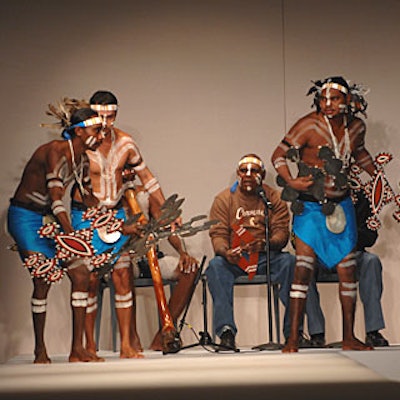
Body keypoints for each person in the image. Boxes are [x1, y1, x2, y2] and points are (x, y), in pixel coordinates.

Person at [271, 76, 377, 352]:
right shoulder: (309, 124)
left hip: (341, 206)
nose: (328, 104)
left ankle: (349, 337)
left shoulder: (356, 127)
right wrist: (291, 181)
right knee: (302, 269)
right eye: (323, 98)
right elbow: (278, 155)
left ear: (348, 101)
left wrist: (377, 176)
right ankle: (293, 338)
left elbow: (360, 153)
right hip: (310, 207)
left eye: (335, 99)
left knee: (347, 271)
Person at [73, 90, 181, 357]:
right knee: (92, 279)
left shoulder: (125, 143)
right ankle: (89, 347)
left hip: (117, 212)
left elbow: (147, 177)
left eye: (111, 116)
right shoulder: (80, 145)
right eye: (100, 116)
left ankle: (125, 346)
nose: (105, 122)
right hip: (87, 214)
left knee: (122, 274)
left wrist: (167, 210)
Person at [7, 107, 105, 363]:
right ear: (80, 131)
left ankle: (77, 349)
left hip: (50, 218)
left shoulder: (83, 159)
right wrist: (73, 238)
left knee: (81, 274)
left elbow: (85, 199)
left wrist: (107, 221)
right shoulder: (55, 152)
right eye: (97, 130)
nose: (102, 136)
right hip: (26, 217)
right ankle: (40, 349)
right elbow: (57, 200)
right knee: (43, 277)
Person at [205, 154, 323, 350]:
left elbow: (282, 232)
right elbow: (217, 233)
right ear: (238, 173)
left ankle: (293, 333)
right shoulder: (224, 199)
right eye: (244, 171)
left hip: (268, 257)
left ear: (262, 174)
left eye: (254, 171)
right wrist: (226, 252)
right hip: (235, 258)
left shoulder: (273, 198)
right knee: (216, 266)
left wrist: (265, 244)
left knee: (292, 263)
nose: (249, 175)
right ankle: (226, 332)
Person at [127, 181, 199, 351]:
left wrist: (183, 253)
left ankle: (164, 333)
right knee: (124, 270)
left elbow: (166, 226)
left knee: (189, 269)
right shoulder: (108, 194)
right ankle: (130, 338)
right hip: (125, 257)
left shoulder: (144, 194)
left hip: (150, 255)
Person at [314, 190, 389, 347]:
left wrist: (346, 241)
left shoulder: (361, 197)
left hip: (353, 254)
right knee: (301, 267)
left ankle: (373, 331)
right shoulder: (310, 197)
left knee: (371, 261)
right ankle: (316, 334)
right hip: (323, 256)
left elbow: (370, 235)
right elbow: (298, 238)